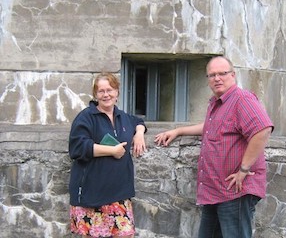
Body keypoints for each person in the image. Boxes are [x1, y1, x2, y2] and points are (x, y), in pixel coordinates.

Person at [154, 56, 273, 238]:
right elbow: (210, 127)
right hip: (215, 190)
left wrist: (244, 169)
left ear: (233, 75)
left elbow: (262, 129)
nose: (217, 78)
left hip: (235, 190)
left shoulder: (242, 99)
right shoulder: (217, 103)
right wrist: (179, 131)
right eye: (212, 75)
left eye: (222, 74)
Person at [68, 72, 147, 238]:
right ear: (95, 94)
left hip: (119, 195)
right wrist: (112, 150)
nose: (106, 95)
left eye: (110, 90)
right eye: (101, 91)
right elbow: (77, 147)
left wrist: (139, 133)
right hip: (93, 195)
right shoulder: (86, 117)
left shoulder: (123, 117)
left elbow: (138, 121)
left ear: (117, 92)